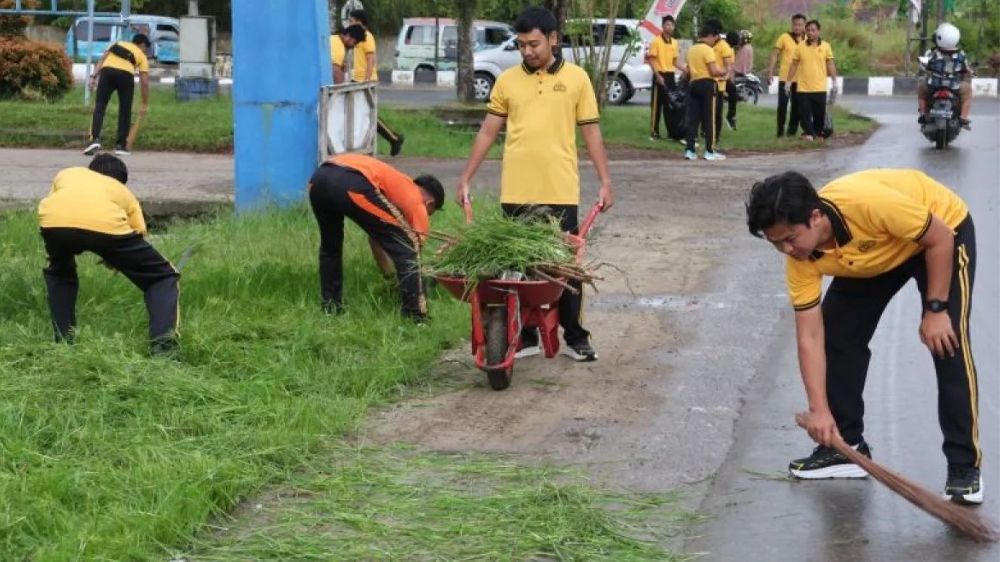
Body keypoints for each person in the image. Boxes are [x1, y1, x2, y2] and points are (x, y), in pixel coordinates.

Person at [746, 169, 983, 505]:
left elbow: (940, 237)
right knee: (836, 334)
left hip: (939, 235)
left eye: (790, 238)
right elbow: (810, 336)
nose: (786, 249)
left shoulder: (869, 205)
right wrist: (819, 410)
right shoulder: (799, 257)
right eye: (776, 243)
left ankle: (964, 468)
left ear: (815, 217)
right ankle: (846, 447)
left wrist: (935, 309)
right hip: (875, 255)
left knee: (947, 343)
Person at [456, 6, 614, 362]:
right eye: (522, 45)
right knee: (519, 268)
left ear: (553, 39)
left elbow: (591, 131)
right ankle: (526, 334)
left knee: (565, 268)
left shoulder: (577, 79)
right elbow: (488, 131)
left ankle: (575, 336)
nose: (527, 51)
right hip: (516, 191)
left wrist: (605, 181)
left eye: (534, 44)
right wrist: (465, 177)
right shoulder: (507, 81)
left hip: (558, 190)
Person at [38, 154, 180, 355]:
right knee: (162, 277)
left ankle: (63, 344)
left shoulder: (68, 173)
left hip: (53, 222)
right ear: (120, 180)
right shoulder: (123, 191)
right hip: (106, 226)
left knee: (60, 274)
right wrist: (115, 257)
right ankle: (163, 350)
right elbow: (138, 235)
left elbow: (59, 204)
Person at [308, 153, 444, 321]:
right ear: (430, 203)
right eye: (431, 213)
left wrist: (389, 275)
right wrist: (428, 276)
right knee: (408, 248)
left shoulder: (396, 186)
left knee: (331, 248)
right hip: (351, 181)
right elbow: (414, 250)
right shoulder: (416, 200)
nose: (427, 216)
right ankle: (414, 315)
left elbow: (376, 237)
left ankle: (331, 307)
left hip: (319, 179)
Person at [348, 9, 405, 156]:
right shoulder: (358, 36)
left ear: (359, 21)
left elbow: (371, 59)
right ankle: (387, 139)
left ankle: (394, 138)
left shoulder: (367, 37)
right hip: (357, 79)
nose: (350, 23)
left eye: (352, 20)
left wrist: (366, 81)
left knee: (369, 114)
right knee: (363, 114)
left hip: (365, 81)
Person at [83, 34, 152, 156]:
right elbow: (145, 83)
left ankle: (94, 140)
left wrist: (94, 77)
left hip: (107, 72)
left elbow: (102, 59)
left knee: (99, 106)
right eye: (145, 48)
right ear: (142, 45)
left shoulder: (117, 44)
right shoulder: (141, 55)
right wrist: (145, 102)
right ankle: (120, 145)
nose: (145, 51)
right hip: (126, 76)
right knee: (125, 110)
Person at [786, 20, 838, 141]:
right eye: (808, 30)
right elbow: (794, 65)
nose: (810, 33)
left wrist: (834, 81)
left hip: (819, 87)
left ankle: (816, 133)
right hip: (803, 87)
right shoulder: (800, 46)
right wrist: (788, 82)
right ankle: (809, 134)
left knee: (819, 115)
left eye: (813, 30)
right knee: (804, 114)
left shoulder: (826, 46)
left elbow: (830, 64)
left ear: (818, 31)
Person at [683, 22, 728, 161]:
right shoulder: (708, 50)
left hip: (693, 83)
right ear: (709, 36)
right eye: (714, 37)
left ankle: (690, 150)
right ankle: (709, 150)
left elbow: (688, 70)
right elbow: (713, 70)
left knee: (692, 119)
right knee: (709, 118)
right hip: (707, 84)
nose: (715, 40)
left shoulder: (691, 49)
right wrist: (724, 71)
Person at [918, 22, 973, 130]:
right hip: (954, 86)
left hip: (934, 85)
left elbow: (924, 65)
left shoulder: (931, 53)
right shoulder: (961, 54)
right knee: (967, 91)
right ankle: (963, 117)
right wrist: (969, 71)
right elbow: (966, 68)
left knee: (921, 91)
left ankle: (923, 114)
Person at [645, 15, 687, 142]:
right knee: (657, 105)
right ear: (663, 26)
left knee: (672, 105)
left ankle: (672, 132)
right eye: (667, 24)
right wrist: (657, 76)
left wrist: (686, 69)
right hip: (660, 74)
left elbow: (675, 62)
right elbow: (651, 60)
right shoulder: (656, 41)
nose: (670, 27)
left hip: (670, 75)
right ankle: (654, 131)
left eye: (672, 25)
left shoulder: (674, 42)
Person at [766, 14, 806, 138]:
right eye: (795, 24)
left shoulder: (808, 39)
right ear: (792, 25)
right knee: (782, 106)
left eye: (800, 25)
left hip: (800, 80)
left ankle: (791, 132)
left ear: (804, 25)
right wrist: (770, 72)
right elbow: (774, 54)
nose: (797, 27)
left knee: (797, 108)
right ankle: (780, 132)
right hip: (785, 79)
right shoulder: (784, 37)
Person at [710, 22, 735, 145]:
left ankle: (716, 136)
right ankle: (706, 132)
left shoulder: (724, 46)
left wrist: (724, 75)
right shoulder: (706, 44)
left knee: (717, 112)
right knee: (706, 111)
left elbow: (728, 66)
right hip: (707, 83)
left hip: (719, 85)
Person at [724, 31, 745, 131]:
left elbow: (731, 67)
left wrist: (730, 81)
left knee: (733, 92)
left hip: (724, 78)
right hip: (716, 78)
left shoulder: (731, 49)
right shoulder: (723, 47)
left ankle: (731, 116)